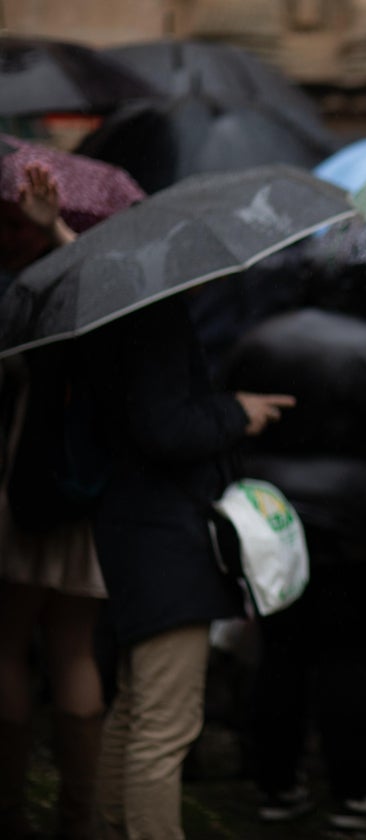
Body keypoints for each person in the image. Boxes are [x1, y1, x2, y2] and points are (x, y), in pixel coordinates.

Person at [81, 292, 294, 840]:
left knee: (136, 710)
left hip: (136, 531)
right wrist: (234, 411)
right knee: (164, 725)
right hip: (163, 542)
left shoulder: (122, 309)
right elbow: (164, 426)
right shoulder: (153, 310)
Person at [222, 306, 366, 832]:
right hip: (361, 520)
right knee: (348, 655)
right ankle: (353, 789)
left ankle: (276, 784)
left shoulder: (259, 338)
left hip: (276, 511)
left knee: (279, 650)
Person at [0, 163, 103, 839]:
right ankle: (79, 820)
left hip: (14, 486)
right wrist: (58, 230)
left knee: (7, 647)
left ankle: (8, 814)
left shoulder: (17, 299)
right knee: (74, 650)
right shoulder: (74, 297)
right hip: (76, 491)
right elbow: (104, 290)